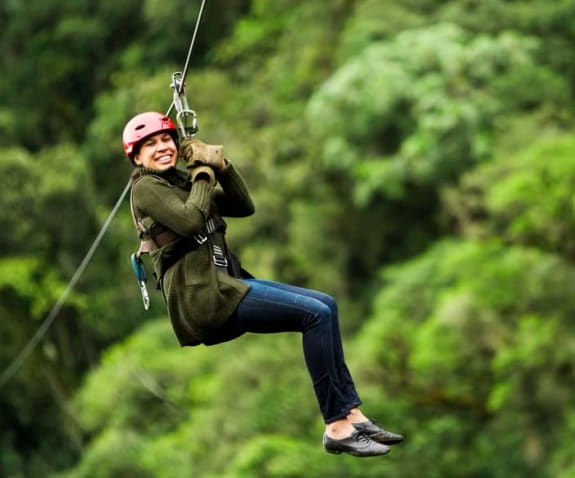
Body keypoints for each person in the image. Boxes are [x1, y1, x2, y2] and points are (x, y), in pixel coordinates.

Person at [122, 111, 403, 457]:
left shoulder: (181, 183)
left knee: (326, 305)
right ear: (137, 157)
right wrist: (203, 173)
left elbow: (244, 205)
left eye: (166, 140)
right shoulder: (146, 188)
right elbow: (192, 221)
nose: (162, 147)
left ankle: (352, 414)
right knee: (313, 316)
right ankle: (337, 426)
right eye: (150, 145)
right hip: (204, 300)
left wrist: (221, 165)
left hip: (225, 285)